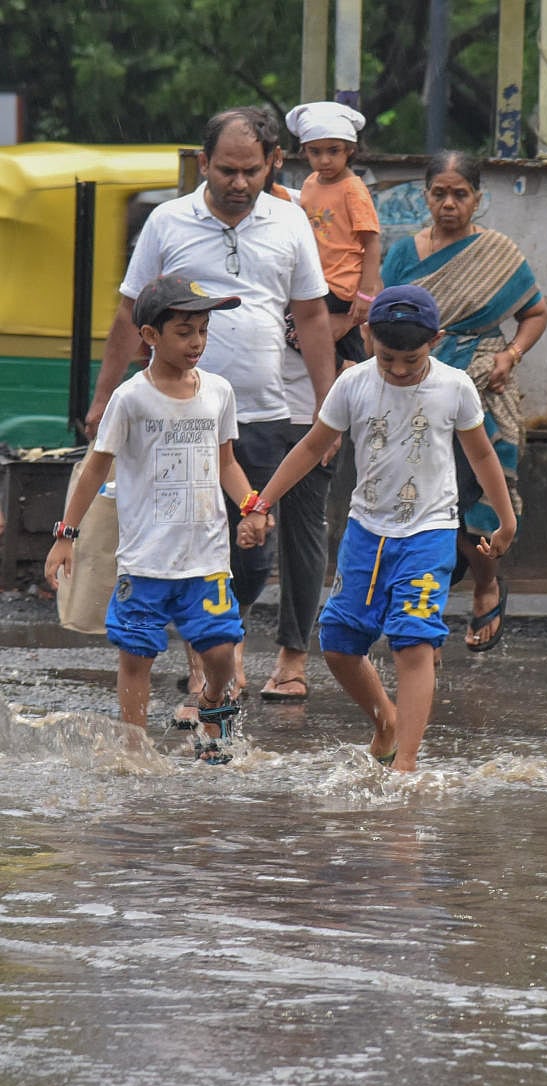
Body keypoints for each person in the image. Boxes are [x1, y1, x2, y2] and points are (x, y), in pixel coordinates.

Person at [83, 106, 336, 703]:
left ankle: (224, 637)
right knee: (191, 544)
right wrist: (102, 398)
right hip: (177, 420)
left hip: (263, 414)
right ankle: (205, 661)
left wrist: (329, 409)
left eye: (251, 169)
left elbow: (312, 314)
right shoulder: (168, 223)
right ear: (204, 164)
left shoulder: (291, 221)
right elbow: (129, 311)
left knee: (251, 555)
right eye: (226, 169)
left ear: (273, 163)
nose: (239, 182)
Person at [236, 285, 517, 772]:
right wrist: (261, 502)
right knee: (340, 644)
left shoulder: (455, 387)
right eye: (389, 359)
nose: (401, 370)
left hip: (429, 532)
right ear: (367, 336)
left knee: (413, 638)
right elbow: (309, 447)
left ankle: (405, 765)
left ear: (437, 339)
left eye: (413, 358)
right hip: (366, 532)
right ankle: (385, 719)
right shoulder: (353, 385)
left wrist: (505, 518)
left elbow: (481, 453)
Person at [44, 274, 269, 762]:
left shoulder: (218, 391)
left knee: (220, 650)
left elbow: (226, 461)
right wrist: (67, 535)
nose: (197, 343)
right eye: (184, 331)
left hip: (206, 556)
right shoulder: (131, 398)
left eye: (204, 331)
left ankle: (211, 703)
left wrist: (252, 507)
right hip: (146, 559)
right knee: (136, 655)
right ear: (149, 336)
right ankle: (134, 746)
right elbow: (96, 468)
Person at [380, 150, 547, 652]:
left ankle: (485, 585)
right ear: (426, 196)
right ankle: (418, 606)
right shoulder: (403, 255)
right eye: (439, 193)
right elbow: (386, 323)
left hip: (482, 381)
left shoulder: (498, 252)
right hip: (418, 383)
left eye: (460, 194)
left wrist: (511, 356)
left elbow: (536, 313)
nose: (449, 203)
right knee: (423, 497)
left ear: (477, 198)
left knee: (479, 498)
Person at [285, 100, 381, 363]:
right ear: (305, 151)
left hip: (341, 287)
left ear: (350, 149)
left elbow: (372, 243)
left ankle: (345, 373)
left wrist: (365, 294)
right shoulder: (310, 183)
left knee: (295, 330)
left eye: (333, 150)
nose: (324, 160)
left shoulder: (353, 189)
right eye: (315, 152)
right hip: (317, 278)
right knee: (341, 348)